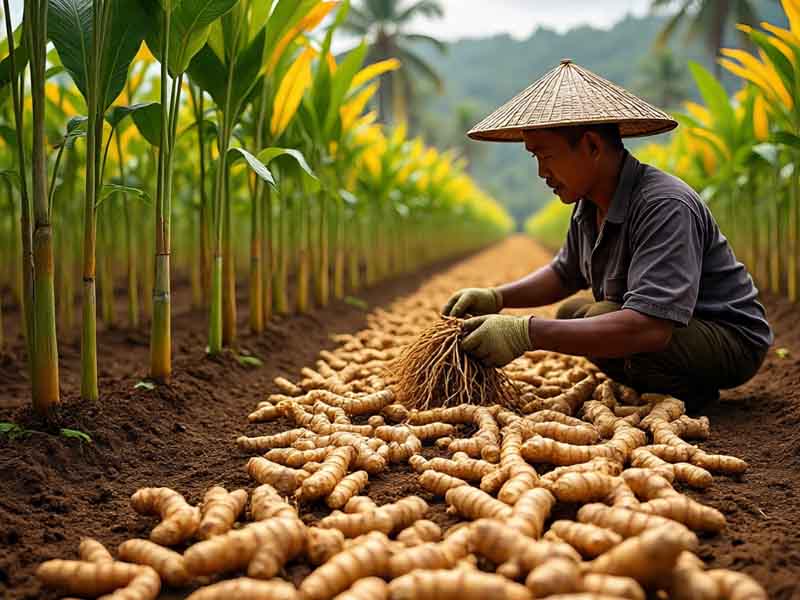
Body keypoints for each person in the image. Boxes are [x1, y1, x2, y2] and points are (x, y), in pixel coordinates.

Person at [442, 59, 772, 407]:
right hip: (669, 329)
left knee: (601, 318)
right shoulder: (587, 204)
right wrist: (497, 298)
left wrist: (526, 332)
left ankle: (688, 394)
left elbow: (651, 327)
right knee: (572, 312)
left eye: (546, 155)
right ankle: (653, 383)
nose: (541, 172)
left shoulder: (664, 204)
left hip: (728, 339)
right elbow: (564, 273)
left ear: (592, 147)